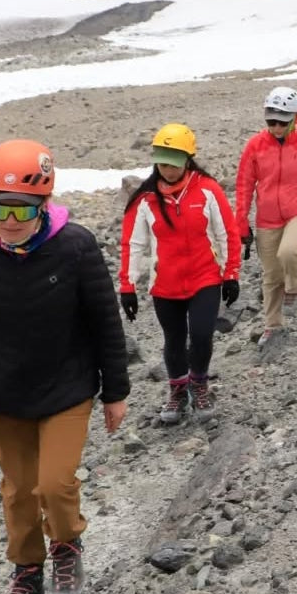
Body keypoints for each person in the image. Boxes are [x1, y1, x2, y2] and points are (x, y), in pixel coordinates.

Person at [0, 139, 130, 594]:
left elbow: (105, 321)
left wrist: (116, 392)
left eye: (20, 208)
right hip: (3, 399)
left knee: (54, 482)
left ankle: (66, 545)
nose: (8, 219)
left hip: (68, 390)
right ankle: (27, 575)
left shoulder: (76, 246)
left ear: (45, 202)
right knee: (19, 490)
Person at [118, 122, 241, 426]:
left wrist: (231, 274)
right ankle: (177, 390)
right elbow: (133, 244)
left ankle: (198, 383)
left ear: (188, 159)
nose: (168, 170)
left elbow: (227, 232)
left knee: (200, 335)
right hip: (166, 284)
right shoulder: (145, 199)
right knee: (173, 339)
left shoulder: (207, 189)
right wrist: (127, 286)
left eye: (173, 164)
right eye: (162, 163)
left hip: (205, 277)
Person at [235, 87, 297, 349]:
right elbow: (244, 185)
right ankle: (273, 325)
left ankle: (294, 289)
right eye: (271, 121)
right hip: (267, 217)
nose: (276, 127)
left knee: (289, 252)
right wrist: (241, 223)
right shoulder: (255, 145)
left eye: (282, 121)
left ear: (294, 117)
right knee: (271, 275)